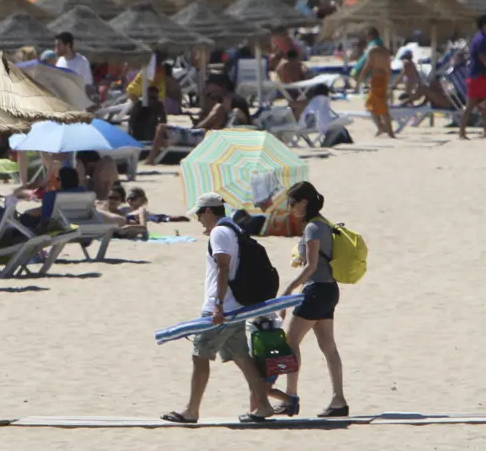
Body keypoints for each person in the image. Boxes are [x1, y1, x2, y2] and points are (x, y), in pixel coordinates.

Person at [161, 193, 275, 424]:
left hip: (222, 307)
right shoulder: (232, 227)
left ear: (209, 212)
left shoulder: (220, 232)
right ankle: (263, 406)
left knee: (200, 356)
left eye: (200, 215)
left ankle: (191, 411)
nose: (199, 220)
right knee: (242, 357)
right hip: (236, 307)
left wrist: (218, 306)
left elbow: (223, 268)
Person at [276, 182, 348, 418]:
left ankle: (290, 398)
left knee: (290, 342)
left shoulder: (313, 228)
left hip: (316, 290)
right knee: (328, 346)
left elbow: (312, 265)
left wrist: (288, 289)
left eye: (293, 203)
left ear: (304, 202)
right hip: (329, 290)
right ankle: (339, 400)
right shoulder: (323, 224)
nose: (291, 208)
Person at [356, 40, 394, 139]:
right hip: (383, 79)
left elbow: (368, 66)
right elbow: (389, 69)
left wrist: (360, 79)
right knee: (372, 104)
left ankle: (389, 131)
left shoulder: (373, 51)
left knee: (380, 106)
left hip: (377, 79)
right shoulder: (386, 51)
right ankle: (382, 127)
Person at [460, 13, 486, 139]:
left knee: (484, 107)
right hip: (478, 77)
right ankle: (462, 133)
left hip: (480, 77)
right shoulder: (481, 39)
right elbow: (483, 58)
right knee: (470, 106)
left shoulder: (480, 37)